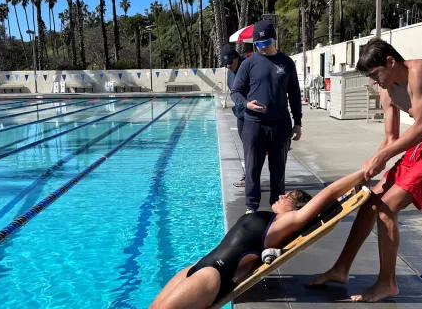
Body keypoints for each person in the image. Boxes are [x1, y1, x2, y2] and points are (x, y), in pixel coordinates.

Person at [307, 38, 422, 302]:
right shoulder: (387, 91)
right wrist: (371, 165)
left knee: (387, 206)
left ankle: (387, 283)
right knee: (370, 200)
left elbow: (421, 125)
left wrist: (383, 156)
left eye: (375, 74)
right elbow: (390, 137)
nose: (375, 82)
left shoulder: (420, 72)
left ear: (391, 62)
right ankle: (341, 269)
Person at [149, 169, 370, 309]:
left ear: (297, 209)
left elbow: (329, 192)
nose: (282, 195)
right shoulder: (273, 219)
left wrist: (362, 173)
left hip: (213, 275)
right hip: (198, 266)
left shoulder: (288, 221)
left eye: (289, 197)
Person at [230, 20, 303, 214]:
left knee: (278, 170)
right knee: (252, 169)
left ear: (274, 39)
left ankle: (277, 207)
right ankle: (251, 207)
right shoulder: (248, 63)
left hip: (280, 125)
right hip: (254, 125)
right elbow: (235, 92)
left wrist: (298, 123)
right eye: (258, 44)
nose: (262, 47)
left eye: (266, 42)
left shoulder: (286, 63)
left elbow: (295, 94)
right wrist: (246, 104)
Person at [220, 44, 248, 187]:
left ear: (237, 58)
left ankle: (249, 177)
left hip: (252, 114)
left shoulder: (248, 66)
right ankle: (248, 176)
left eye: (230, 62)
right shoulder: (230, 72)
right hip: (241, 114)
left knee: (252, 147)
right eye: (225, 63)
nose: (228, 66)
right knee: (246, 146)